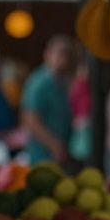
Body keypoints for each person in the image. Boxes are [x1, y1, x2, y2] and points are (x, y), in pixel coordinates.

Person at [20, 35, 77, 166]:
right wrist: (54, 145)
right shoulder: (39, 83)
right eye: (60, 53)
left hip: (61, 153)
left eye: (67, 54)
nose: (64, 58)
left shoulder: (63, 82)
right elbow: (30, 119)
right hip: (42, 154)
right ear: (48, 54)